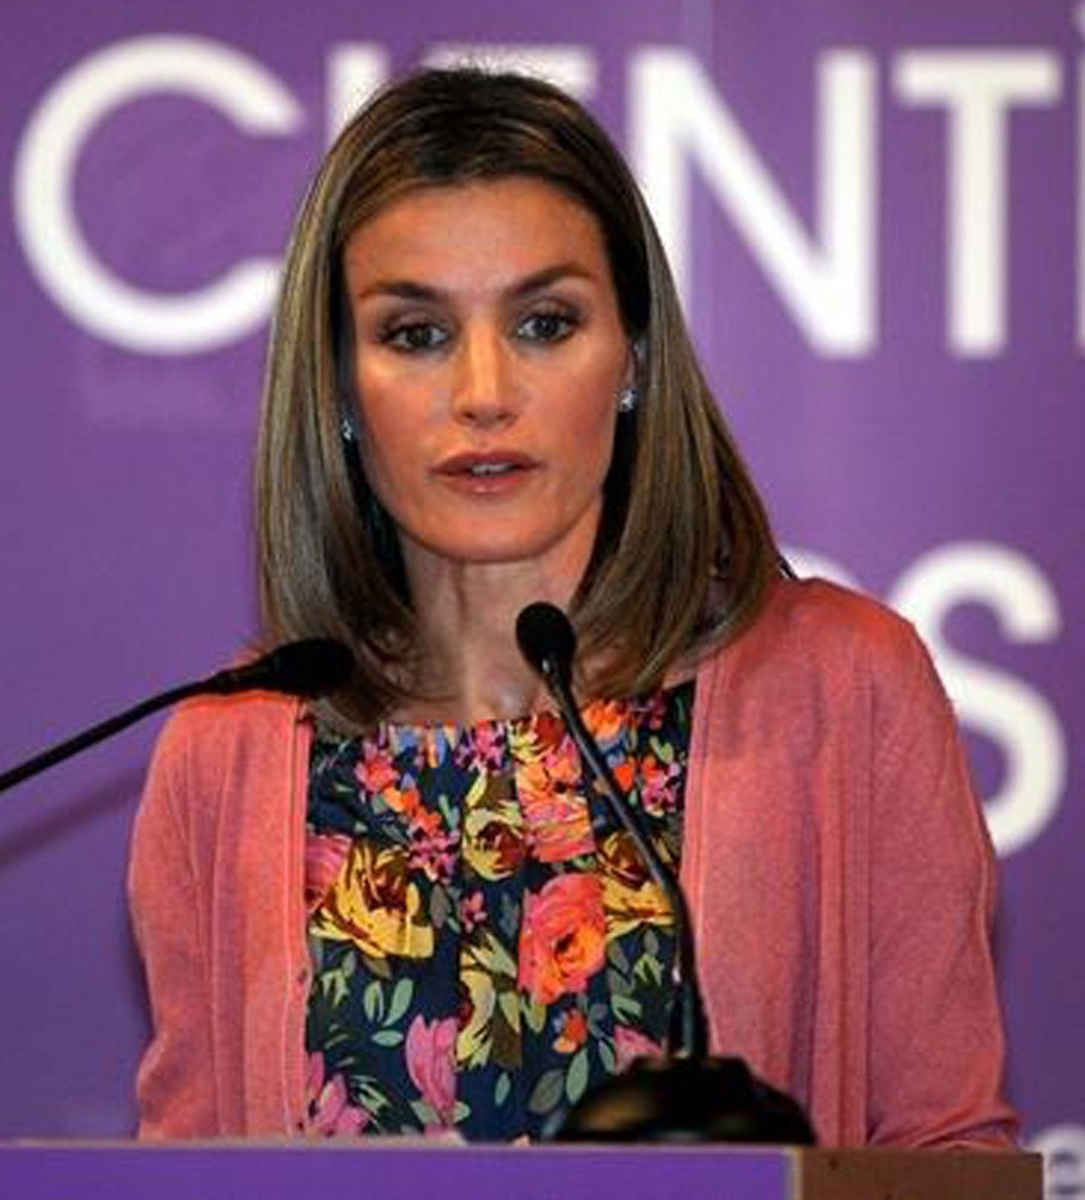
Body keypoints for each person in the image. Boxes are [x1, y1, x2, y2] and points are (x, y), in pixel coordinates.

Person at [129, 67, 1018, 1147]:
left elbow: (947, 1154)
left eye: (545, 323)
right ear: (339, 386)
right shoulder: (226, 754)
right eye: (415, 333)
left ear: (633, 359)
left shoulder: (843, 683)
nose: (484, 394)